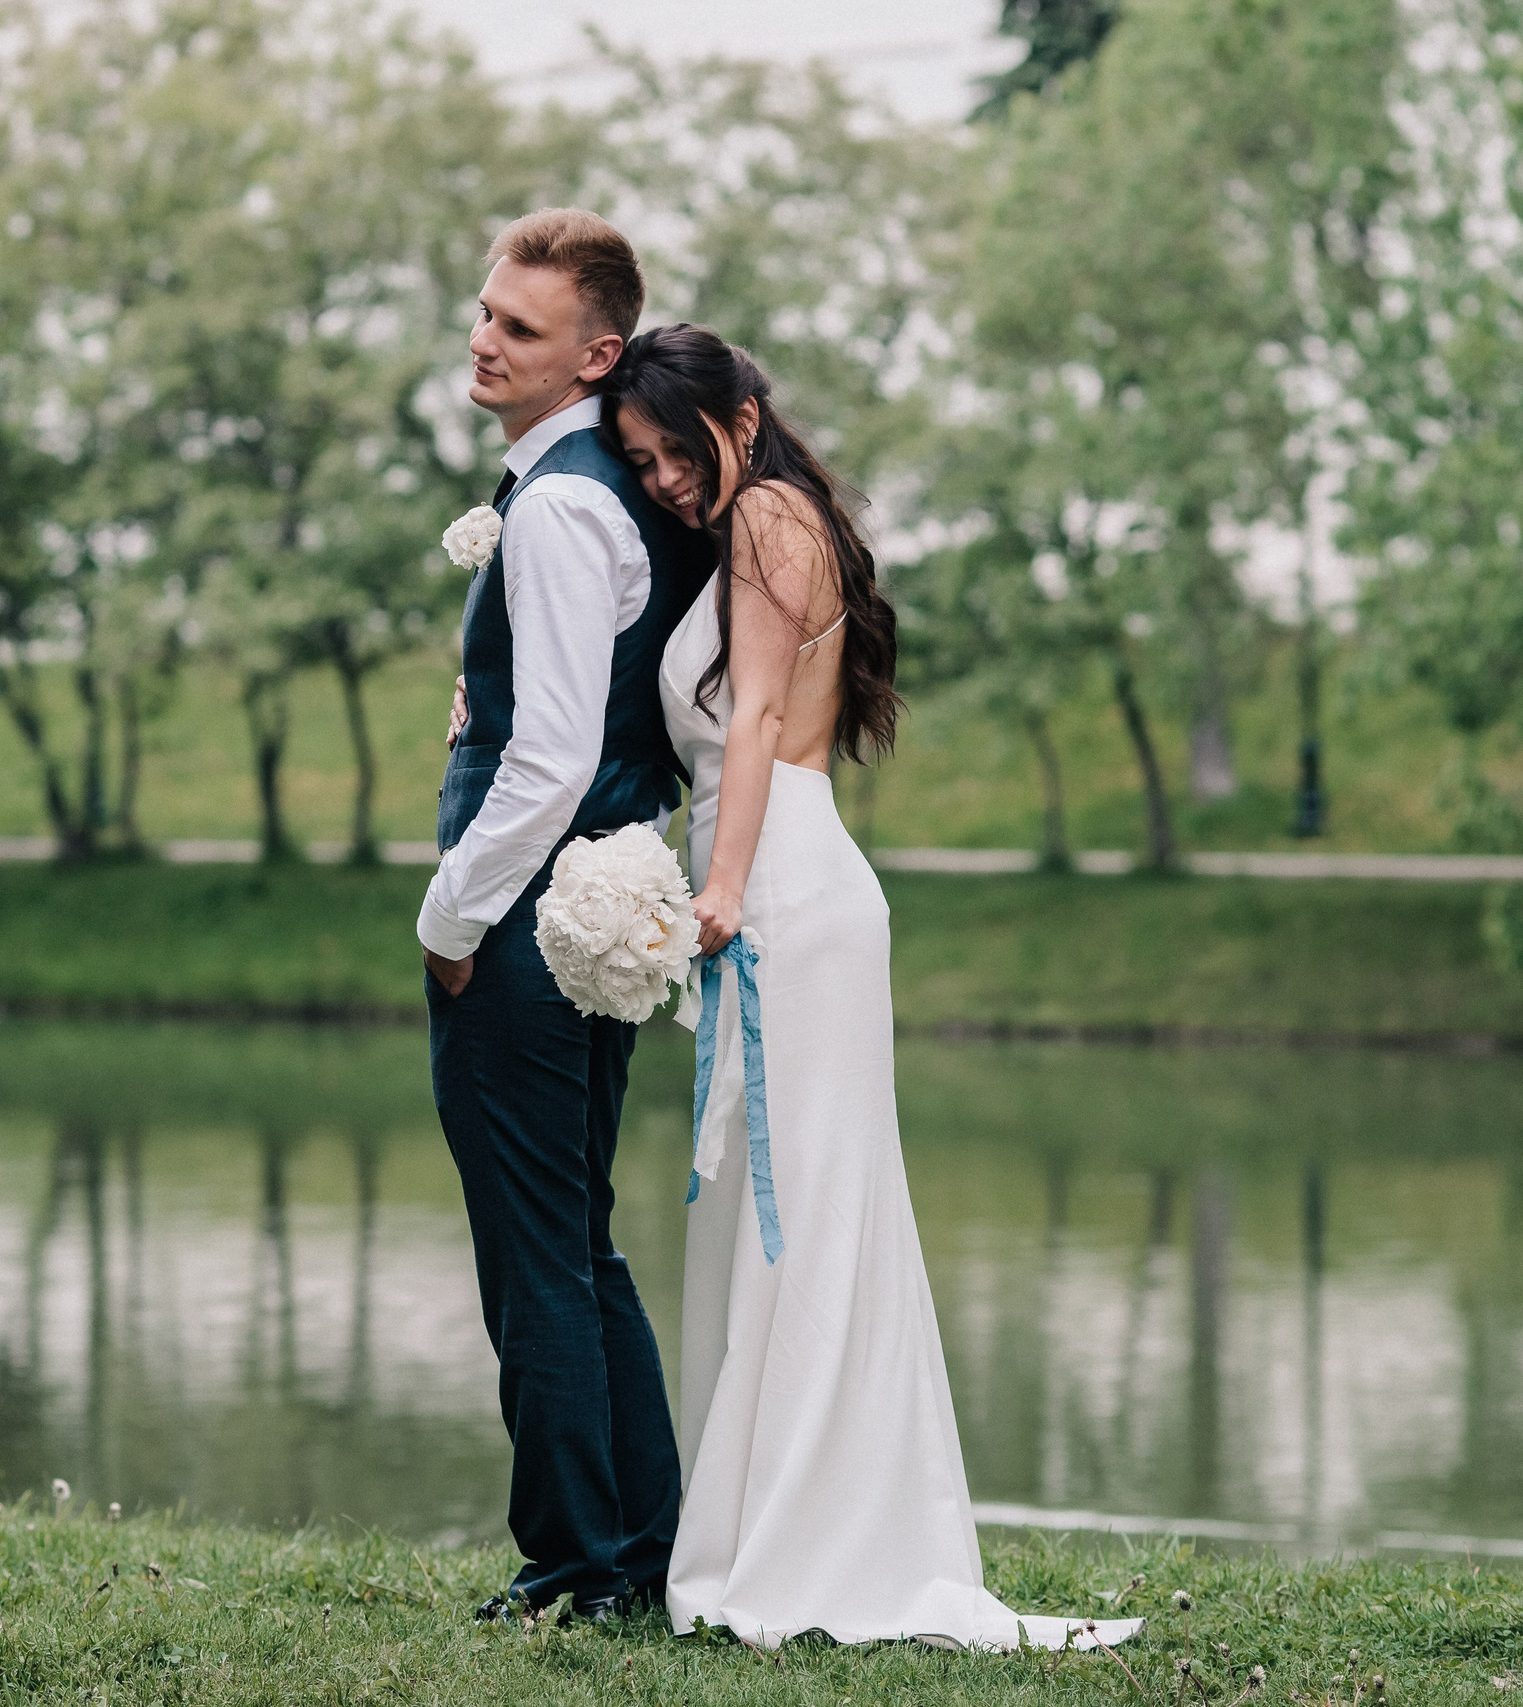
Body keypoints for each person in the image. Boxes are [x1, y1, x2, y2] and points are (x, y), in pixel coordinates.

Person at [602, 324, 1143, 1654]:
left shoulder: (769, 520)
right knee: (772, 1219)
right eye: (642, 461)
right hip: (768, 874)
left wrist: (718, 888)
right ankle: (752, 1533)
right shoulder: (760, 525)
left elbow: (766, 728)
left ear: (740, 415)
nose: (666, 478)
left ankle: (812, 1543)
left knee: (810, 1217)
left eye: (675, 450)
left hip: (784, 885)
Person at [418, 210, 714, 1626]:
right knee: (577, 1243)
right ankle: (635, 1554)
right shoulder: (617, 488)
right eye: (484, 313)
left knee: (535, 1254)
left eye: (518, 328)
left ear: (595, 355)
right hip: (604, 913)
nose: (484, 338)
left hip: (535, 923)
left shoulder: (560, 508)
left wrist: (451, 917)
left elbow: (543, 757)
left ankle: (576, 1568)